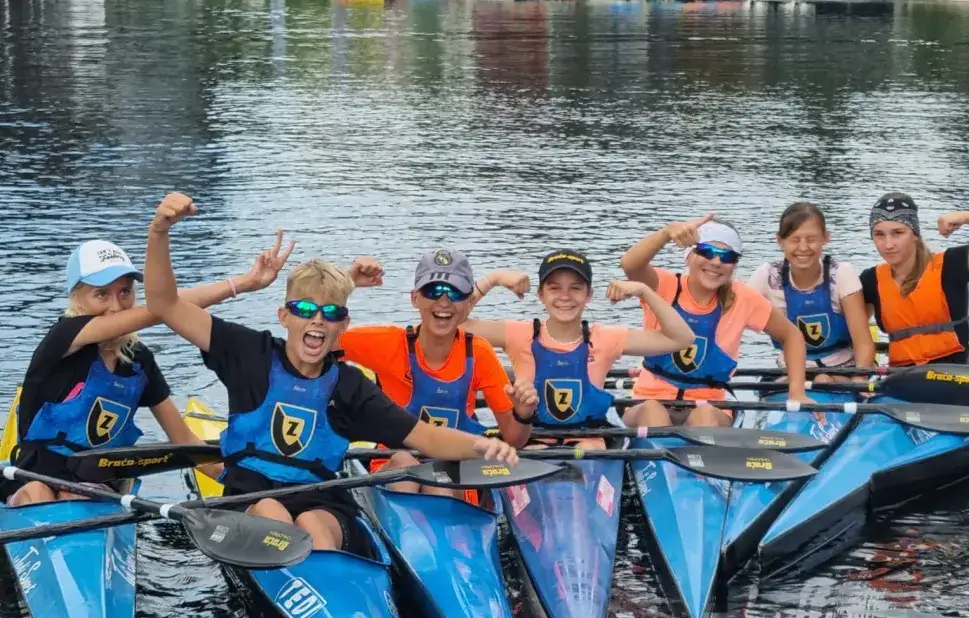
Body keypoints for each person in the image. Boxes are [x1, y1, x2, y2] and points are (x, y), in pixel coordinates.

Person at [143, 191, 518, 553]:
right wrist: (159, 232)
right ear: (284, 316)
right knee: (276, 517)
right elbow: (163, 303)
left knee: (316, 533)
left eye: (331, 314)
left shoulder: (350, 388)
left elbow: (425, 438)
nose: (318, 320)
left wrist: (483, 445)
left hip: (322, 500)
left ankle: (328, 584)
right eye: (305, 310)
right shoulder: (248, 352)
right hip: (250, 495)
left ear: (343, 326)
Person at [3, 229, 296, 507]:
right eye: (102, 294)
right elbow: (164, 309)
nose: (117, 306)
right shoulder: (64, 338)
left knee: (75, 495)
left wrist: (240, 483)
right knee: (38, 492)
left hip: (90, 486)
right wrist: (243, 283)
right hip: (32, 477)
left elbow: (183, 440)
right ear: (76, 297)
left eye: (125, 292)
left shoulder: (139, 362)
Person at [335, 248, 538, 495]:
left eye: (455, 293)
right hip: (394, 465)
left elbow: (514, 439)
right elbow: (317, 335)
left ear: (469, 303)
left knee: (442, 480)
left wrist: (524, 413)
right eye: (433, 291)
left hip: (459, 472)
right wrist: (347, 282)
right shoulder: (386, 343)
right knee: (404, 462)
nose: (443, 301)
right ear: (414, 298)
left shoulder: (479, 353)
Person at [462, 249, 695, 445]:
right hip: (533, 442)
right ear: (541, 295)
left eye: (575, 288)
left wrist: (645, 291)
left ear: (589, 295)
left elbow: (682, 339)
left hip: (588, 444)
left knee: (590, 451)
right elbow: (455, 322)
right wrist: (492, 279)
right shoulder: (517, 333)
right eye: (554, 288)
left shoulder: (606, 338)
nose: (565, 297)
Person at [618, 215, 809, 427]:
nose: (716, 262)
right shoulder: (663, 286)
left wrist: (797, 392)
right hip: (648, 397)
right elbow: (630, 265)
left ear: (734, 266)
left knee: (705, 414)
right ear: (688, 256)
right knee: (653, 410)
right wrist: (665, 233)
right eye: (707, 252)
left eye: (727, 257)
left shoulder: (742, 298)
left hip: (709, 404)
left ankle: (692, 453)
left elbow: (791, 335)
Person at [859, 193, 969, 368]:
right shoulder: (870, 280)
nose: (888, 244)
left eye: (898, 233)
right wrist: (869, 366)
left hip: (956, 377)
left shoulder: (952, 264)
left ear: (915, 234)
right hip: (902, 380)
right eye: (879, 234)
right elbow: (855, 333)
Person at [745, 202, 877, 374]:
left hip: (843, 370)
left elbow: (863, 342)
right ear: (780, 241)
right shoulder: (767, 276)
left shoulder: (842, 274)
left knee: (825, 380)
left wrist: (860, 379)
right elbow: (733, 316)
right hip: (789, 370)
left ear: (826, 238)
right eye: (794, 239)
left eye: (811, 239)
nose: (803, 247)